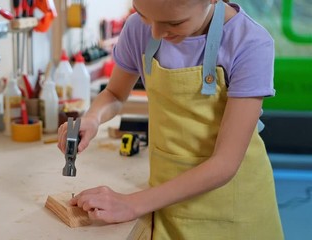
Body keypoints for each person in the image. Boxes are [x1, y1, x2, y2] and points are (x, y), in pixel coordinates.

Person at [57, 0, 284, 239]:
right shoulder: (138, 29)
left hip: (234, 208)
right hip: (165, 200)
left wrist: (132, 204)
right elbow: (114, 93)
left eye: (174, 23)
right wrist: (93, 118)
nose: (155, 32)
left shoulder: (249, 44)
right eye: (143, 15)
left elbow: (224, 164)